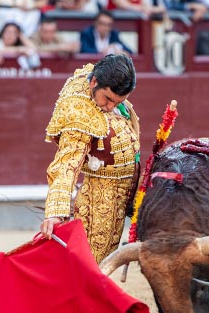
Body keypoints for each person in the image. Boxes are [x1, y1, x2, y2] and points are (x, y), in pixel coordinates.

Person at [40, 54, 140, 263]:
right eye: (108, 99)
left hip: (125, 192)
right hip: (99, 200)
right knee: (91, 264)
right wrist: (55, 212)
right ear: (94, 82)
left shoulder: (100, 83)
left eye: (119, 102)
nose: (111, 107)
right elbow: (67, 163)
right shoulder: (80, 111)